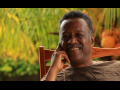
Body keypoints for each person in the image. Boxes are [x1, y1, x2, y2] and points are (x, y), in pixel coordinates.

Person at [41, 10, 120, 81]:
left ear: (92, 41)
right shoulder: (53, 77)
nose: (71, 41)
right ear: (60, 44)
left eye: (79, 35)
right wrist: (53, 69)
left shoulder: (116, 67)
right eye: (65, 36)